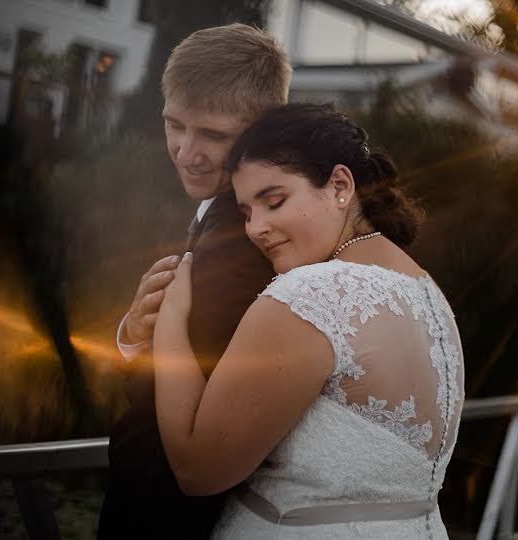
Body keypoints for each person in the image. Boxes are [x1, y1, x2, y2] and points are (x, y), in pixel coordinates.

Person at [153, 103, 466, 539]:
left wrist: (170, 318)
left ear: (340, 185)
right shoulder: (428, 294)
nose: (256, 228)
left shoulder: (309, 296)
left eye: (274, 200)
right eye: (245, 212)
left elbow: (197, 469)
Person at [98, 24, 290, 539]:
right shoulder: (224, 215)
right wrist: (135, 332)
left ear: (261, 131)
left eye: (212, 134)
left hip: (162, 508)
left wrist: (140, 355)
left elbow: (189, 398)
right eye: (174, 124)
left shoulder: (240, 237)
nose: (185, 151)